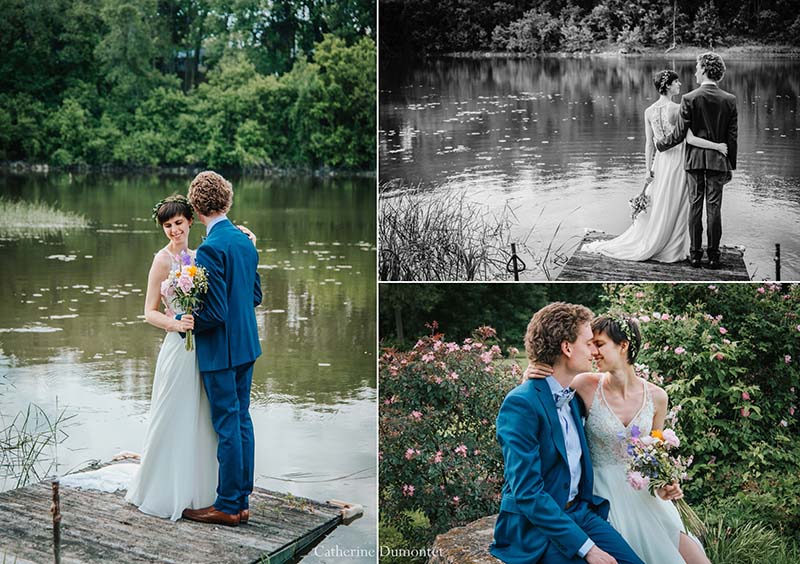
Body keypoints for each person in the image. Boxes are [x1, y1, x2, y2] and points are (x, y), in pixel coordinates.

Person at [526, 314, 710, 564]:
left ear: (623, 345)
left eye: (599, 344)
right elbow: (546, 402)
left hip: (645, 497)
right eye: (590, 344)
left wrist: (666, 485)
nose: (593, 351)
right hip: (602, 494)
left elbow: (655, 459)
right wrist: (529, 375)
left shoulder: (657, 397)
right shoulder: (584, 385)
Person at [125, 194, 258, 521]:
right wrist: (175, 323)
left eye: (178, 223)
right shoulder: (161, 261)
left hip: (206, 347)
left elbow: (228, 299)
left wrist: (250, 247)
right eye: (167, 226)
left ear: (191, 220)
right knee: (174, 414)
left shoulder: (204, 255)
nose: (174, 230)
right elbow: (149, 311)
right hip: (179, 345)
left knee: (204, 419)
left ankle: (204, 489)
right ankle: (169, 486)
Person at [490, 302, 645, 564]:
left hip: (581, 514)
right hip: (536, 529)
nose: (594, 351)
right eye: (589, 343)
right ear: (567, 347)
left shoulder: (572, 397)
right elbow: (527, 492)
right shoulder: (521, 404)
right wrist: (589, 549)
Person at [181, 171, 262, 527]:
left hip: (222, 351)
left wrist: (185, 319)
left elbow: (214, 313)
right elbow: (255, 295)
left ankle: (228, 505)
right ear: (227, 201)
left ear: (196, 208)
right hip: (246, 346)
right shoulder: (245, 241)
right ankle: (242, 501)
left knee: (227, 424)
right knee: (241, 419)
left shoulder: (210, 248)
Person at [584, 69, 728, 263]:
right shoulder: (678, 108)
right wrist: (717, 146)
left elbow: (649, 144)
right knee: (678, 203)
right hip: (679, 161)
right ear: (668, 85)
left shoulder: (649, 111)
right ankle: (674, 246)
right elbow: (691, 139)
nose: (679, 84)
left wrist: (648, 170)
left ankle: (660, 239)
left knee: (662, 201)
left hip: (661, 162)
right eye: (676, 82)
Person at [656, 53, 738, 269]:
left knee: (695, 206)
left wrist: (660, 145)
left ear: (703, 69)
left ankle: (695, 255)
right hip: (718, 162)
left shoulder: (689, 98)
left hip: (694, 162)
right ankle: (714, 256)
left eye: (696, 68)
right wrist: (730, 165)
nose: (694, 72)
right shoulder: (729, 100)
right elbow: (732, 137)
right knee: (714, 209)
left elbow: (679, 134)